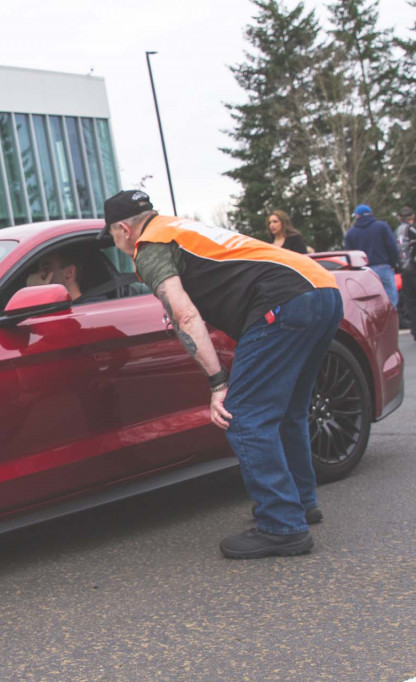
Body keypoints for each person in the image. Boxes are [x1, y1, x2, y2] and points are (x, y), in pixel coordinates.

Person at [101, 189, 342, 559]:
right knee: (289, 410)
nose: (116, 245)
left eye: (112, 237)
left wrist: (218, 383)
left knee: (242, 415)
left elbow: (185, 315)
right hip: (323, 289)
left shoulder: (150, 247)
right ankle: (301, 503)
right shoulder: (179, 228)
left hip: (284, 299)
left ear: (124, 229)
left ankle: (282, 526)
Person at [344, 204, 399, 306]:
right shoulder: (382, 227)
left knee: (370, 304)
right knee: (390, 301)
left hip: (363, 272)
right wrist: (393, 264)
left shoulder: (351, 233)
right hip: (383, 267)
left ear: (357, 216)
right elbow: (392, 247)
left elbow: (349, 255)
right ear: (371, 214)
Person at [400, 211, 416, 342]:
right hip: (413, 268)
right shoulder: (412, 229)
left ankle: (415, 331)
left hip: (404, 270)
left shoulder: (398, 231)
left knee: (411, 304)